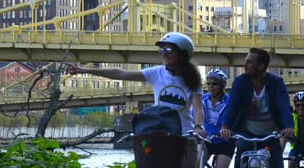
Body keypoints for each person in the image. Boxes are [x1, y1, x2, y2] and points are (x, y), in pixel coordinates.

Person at [66, 32, 205, 168]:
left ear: (182, 53)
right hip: (160, 134)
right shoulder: (157, 73)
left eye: (168, 50)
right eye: (161, 51)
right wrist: (85, 70)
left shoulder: (192, 79)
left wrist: (198, 127)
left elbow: (198, 109)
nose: (164, 54)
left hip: (185, 134)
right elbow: (120, 73)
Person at [219, 47, 293, 168]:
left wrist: (288, 126)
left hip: (270, 134)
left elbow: (283, 106)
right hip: (246, 133)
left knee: (276, 162)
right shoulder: (240, 82)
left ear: (261, 66)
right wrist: (225, 127)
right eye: (245, 61)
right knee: (241, 158)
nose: (245, 65)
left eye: (249, 62)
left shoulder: (276, 83)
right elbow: (232, 105)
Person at [199, 69, 233, 168]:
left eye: (214, 84)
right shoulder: (201, 100)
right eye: (208, 83)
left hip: (224, 141)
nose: (210, 86)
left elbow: (234, 119)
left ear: (222, 86)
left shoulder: (230, 102)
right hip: (206, 140)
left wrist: (229, 130)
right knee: (196, 162)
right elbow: (194, 118)